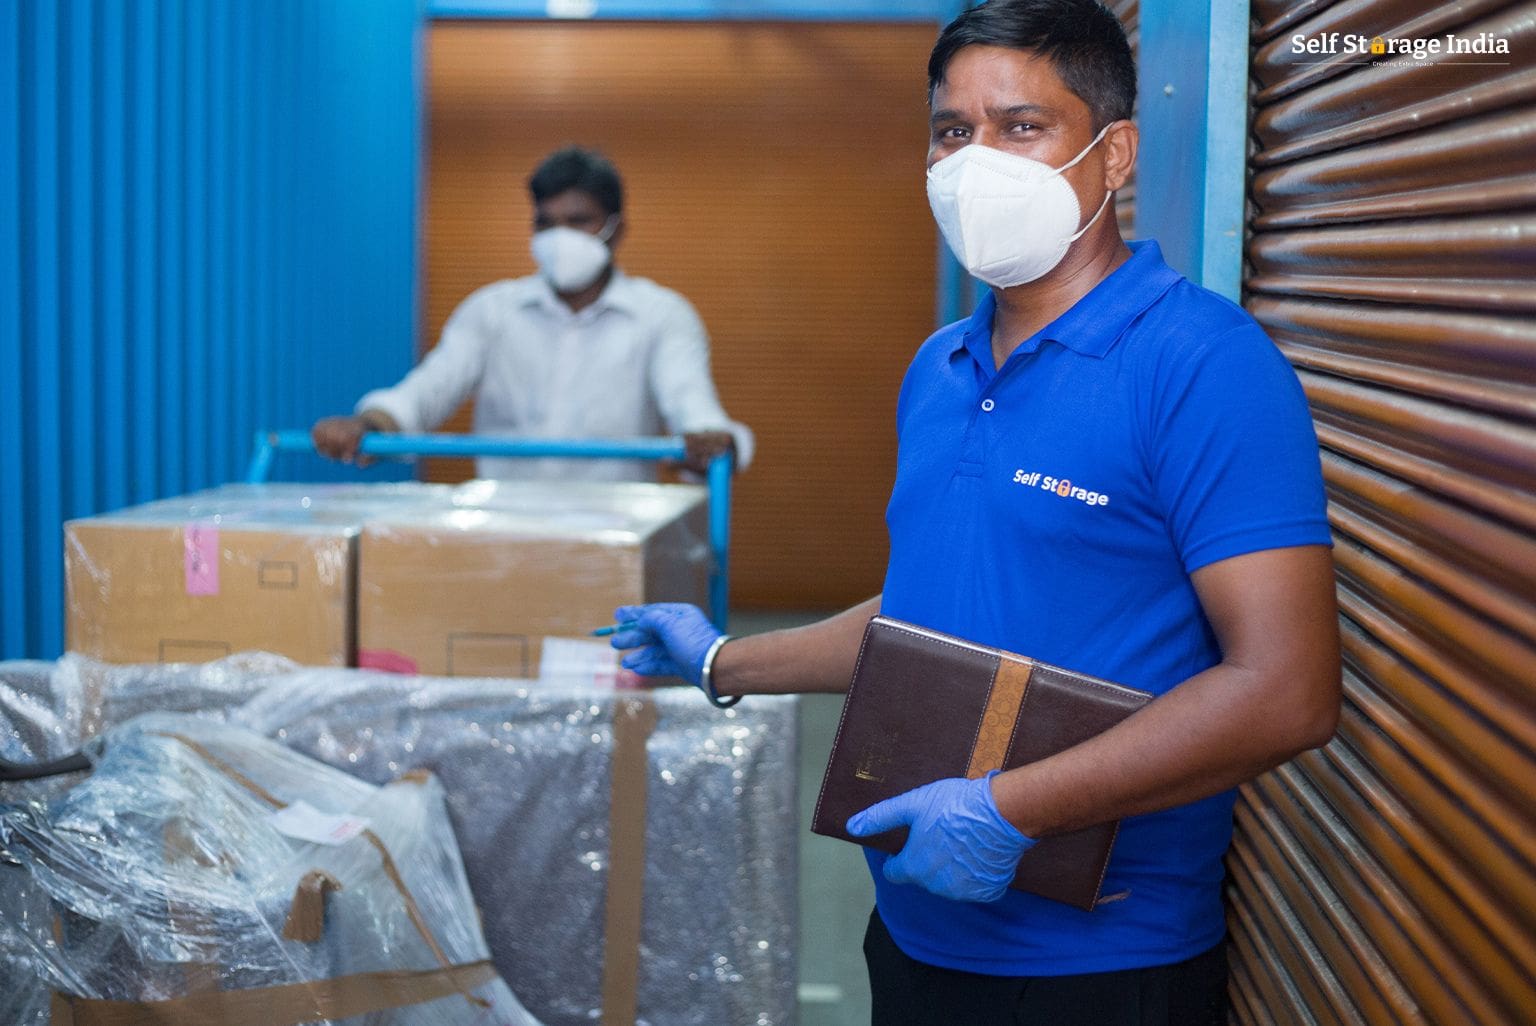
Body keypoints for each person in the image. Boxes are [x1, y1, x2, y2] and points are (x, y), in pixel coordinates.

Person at [606, 2, 1341, 1024]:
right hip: (911, 928)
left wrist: (1009, 810)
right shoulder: (939, 367)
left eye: (1020, 126)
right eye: (953, 131)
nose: (974, 161)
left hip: (1100, 967)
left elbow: (1288, 689)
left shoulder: (1204, 366)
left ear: (1114, 151)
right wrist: (724, 662)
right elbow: (930, 621)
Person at [311, 146, 753, 482]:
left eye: (578, 221)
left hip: (616, 536)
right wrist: (369, 424)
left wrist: (710, 442)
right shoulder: (492, 311)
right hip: (505, 530)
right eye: (545, 223)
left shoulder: (662, 317)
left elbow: (691, 402)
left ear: (618, 230)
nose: (560, 237)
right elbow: (429, 389)